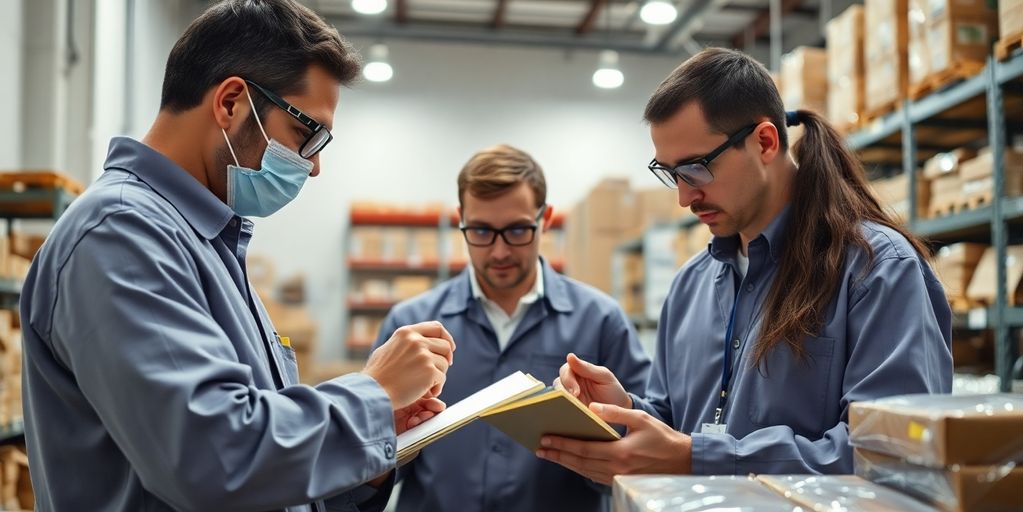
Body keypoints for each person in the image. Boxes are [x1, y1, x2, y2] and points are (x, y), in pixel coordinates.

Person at [20, 1, 455, 510]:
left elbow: (255, 461)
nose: (313, 168)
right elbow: (215, 460)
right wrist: (371, 396)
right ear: (231, 103)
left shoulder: (205, 241)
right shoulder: (121, 234)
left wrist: (370, 452)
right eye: (306, 135)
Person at [536, 47, 953, 482]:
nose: (684, 196)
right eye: (670, 173)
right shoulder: (690, 286)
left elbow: (896, 454)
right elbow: (676, 421)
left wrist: (698, 458)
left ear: (765, 142)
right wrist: (623, 412)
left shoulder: (875, 269)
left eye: (695, 169)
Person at [372, 144, 652, 511]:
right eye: (482, 231)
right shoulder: (411, 326)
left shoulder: (601, 321)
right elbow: (373, 461)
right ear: (461, 220)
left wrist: (604, 430)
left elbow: (642, 452)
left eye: (518, 230)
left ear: (546, 218)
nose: (500, 251)